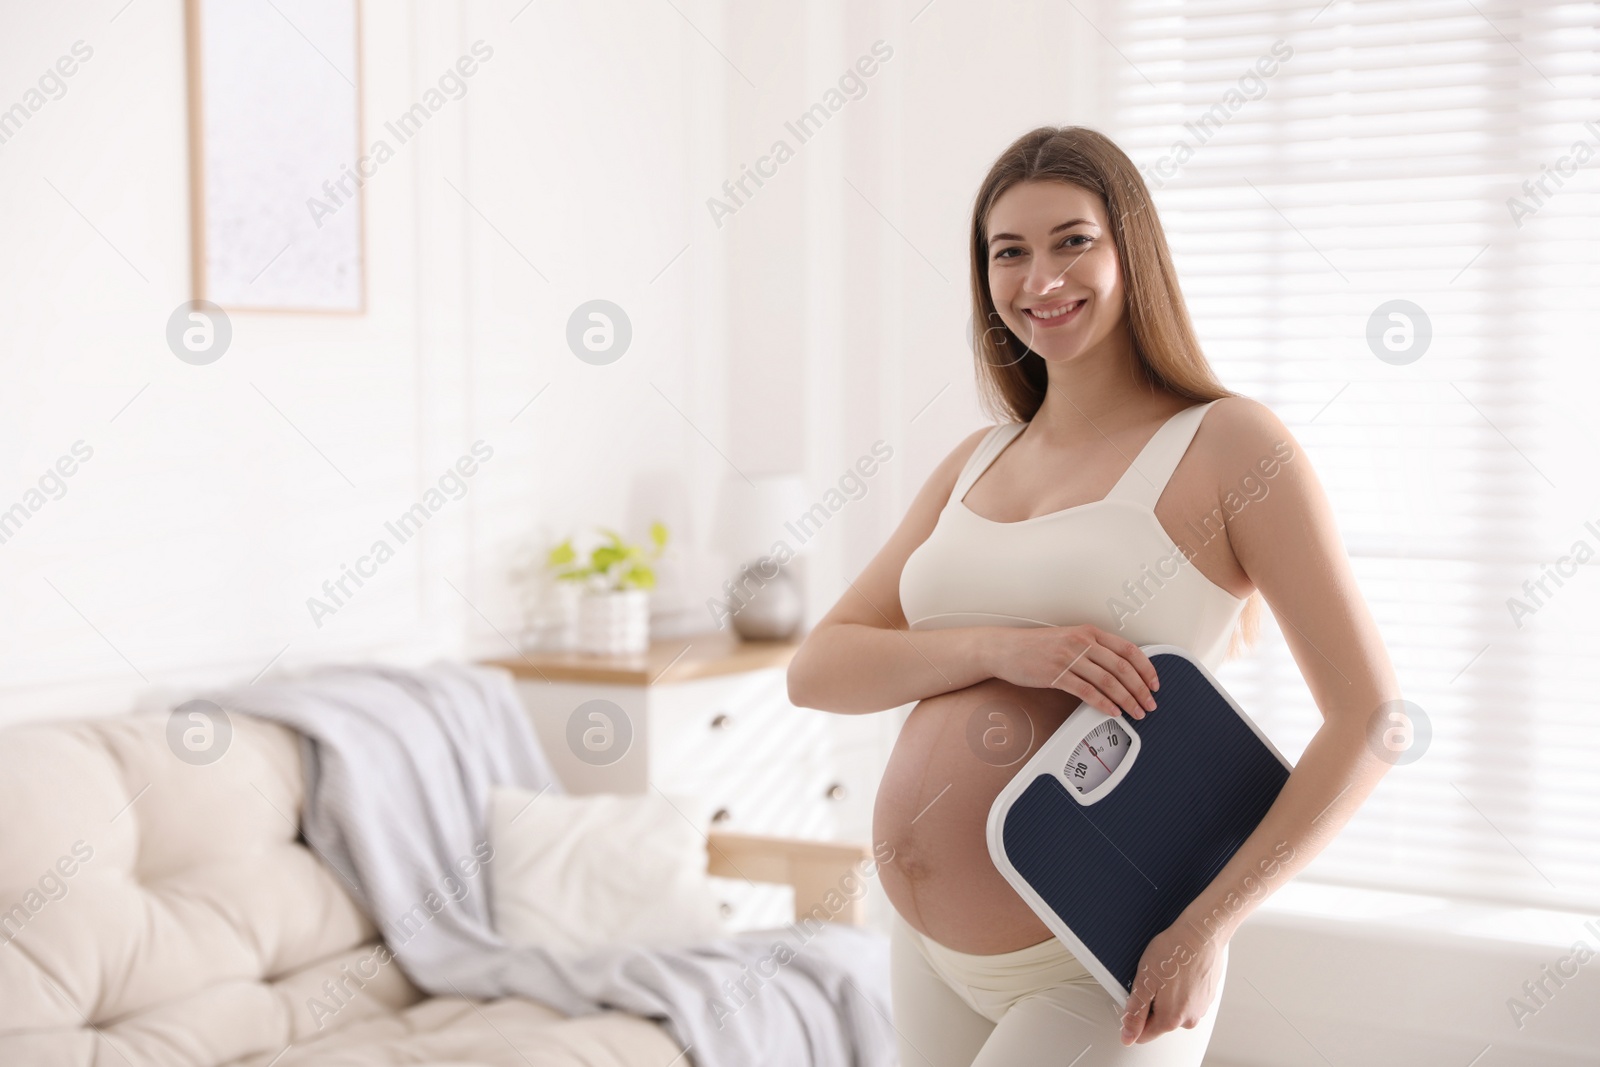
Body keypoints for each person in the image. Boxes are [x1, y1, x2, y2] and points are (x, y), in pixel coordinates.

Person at [786, 126, 1401, 1066]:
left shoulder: (1229, 445)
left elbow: (1370, 719)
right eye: (1010, 252)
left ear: (1132, 249)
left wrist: (1209, 928)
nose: (1041, 278)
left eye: (1073, 240)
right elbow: (818, 668)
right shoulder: (976, 459)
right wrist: (996, 647)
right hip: (925, 948)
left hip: (1102, 961)